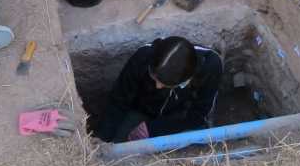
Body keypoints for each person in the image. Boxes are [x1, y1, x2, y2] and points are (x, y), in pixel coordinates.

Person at [95, 37, 223, 143]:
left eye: (166, 84)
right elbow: (119, 100)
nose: (157, 86)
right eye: (154, 78)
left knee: (194, 148)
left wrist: (154, 129)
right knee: (117, 147)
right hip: (142, 112)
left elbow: (199, 113)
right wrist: (102, 140)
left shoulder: (210, 65)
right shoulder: (144, 56)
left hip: (180, 117)